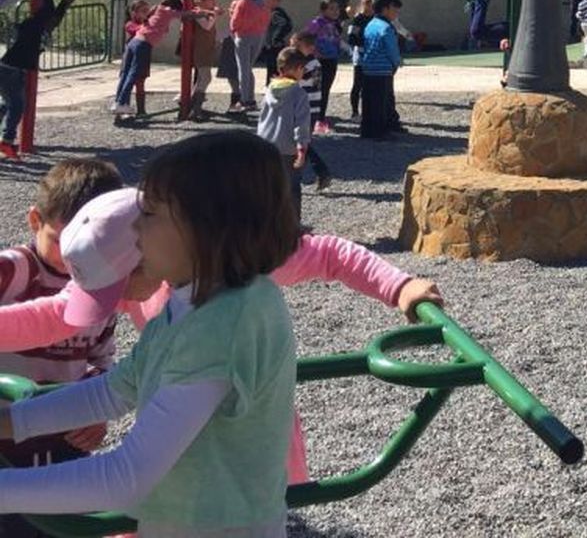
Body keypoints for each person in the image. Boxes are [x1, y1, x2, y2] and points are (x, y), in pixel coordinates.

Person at [0, 183, 442, 496]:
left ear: (145, 255)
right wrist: (18, 422)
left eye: (111, 291)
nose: (107, 302)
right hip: (178, 440)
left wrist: (397, 286)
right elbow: (67, 326)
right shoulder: (152, 292)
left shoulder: (231, 290)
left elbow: (329, 254)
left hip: (239, 458)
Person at [0, 131, 301, 531]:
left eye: (151, 213)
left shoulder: (226, 321)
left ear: (206, 227)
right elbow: (114, 389)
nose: (136, 229)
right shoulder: (191, 302)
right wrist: (13, 421)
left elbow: (127, 478)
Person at [0, 157, 124, 522]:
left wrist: (97, 413)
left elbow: (102, 360)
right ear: (35, 220)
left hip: (61, 434)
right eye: (63, 240)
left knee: (64, 524)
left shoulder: (104, 286)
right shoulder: (15, 271)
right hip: (5, 432)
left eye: (92, 245)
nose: (75, 257)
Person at [0, 0, 76, 155]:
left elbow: (61, 8)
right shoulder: (34, 22)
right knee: (17, 105)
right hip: (11, 67)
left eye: (35, 2)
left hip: (14, 67)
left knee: (8, 104)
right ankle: (7, 141)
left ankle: (6, 141)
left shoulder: (43, 21)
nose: (31, 5)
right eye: (31, 1)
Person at [259, 48, 311, 220]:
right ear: (296, 69)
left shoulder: (269, 90)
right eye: (302, 68)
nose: (303, 72)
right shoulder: (299, 94)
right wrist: (302, 148)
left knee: (270, 188)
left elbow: (262, 118)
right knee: (292, 189)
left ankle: (269, 224)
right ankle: (292, 227)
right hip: (288, 148)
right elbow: (301, 124)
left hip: (266, 145)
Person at [113, 0, 182, 119]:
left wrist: (151, 17)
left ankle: (131, 108)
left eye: (147, 9)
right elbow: (140, 29)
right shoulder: (132, 23)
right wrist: (152, 17)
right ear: (133, 13)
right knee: (130, 76)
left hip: (137, 48)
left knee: (137, 80)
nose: (146, 12)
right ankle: (122, 104)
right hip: (139, 48)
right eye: (143, 11)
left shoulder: (152, 18)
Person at [290, 33, 334, 192]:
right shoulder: (308, 62)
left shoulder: (309, 64)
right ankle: (318, 172)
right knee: (301, 140)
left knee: (301, 140)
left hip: (306, 106)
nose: (292, 48)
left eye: (295, 45)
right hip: (307, 106)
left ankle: (318, 172)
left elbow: (298, 80)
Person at [359, 0, 404, 142]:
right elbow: (391, 49)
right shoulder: (386, 28)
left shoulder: (370, 25)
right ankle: (380, 131)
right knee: (381, 102)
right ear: (385, 9)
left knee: (369, 101)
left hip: (368, 68)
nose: (395, 12)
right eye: (393, 9)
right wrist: (397, 62)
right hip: (382, 69)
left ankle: (367, 129)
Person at [227, 0, 271, 113]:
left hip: (243, 37)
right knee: (248, 68)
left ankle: (245, 100)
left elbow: (234, 21)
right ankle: (250, 99)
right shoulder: (263, 3)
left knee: (243, 69)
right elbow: (266, 20)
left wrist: (235, 31)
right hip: (258, 36)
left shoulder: (243, 2)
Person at [304, 0, 343, 136]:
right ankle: (315, 119)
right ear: (323, 10)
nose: (335, 11)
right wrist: (315, 53)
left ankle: (321, 118)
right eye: (331, 8)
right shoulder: (316, 23)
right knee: (317, 89)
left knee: (325, 89)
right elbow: (307, 38)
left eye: (337, 9)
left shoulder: (335, 24)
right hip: (319, 61)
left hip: (331, 60)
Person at [183, 0, 219, 119]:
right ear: (201, 1)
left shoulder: (206, 13)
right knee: (205, 77)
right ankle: (195, 109)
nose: (213, 2)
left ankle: (192, 106)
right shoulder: (198, 13)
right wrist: (214, 14)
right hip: (201, 49)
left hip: (207, 49)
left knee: (202, 79)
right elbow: (207, 26)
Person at [343, 0, 377, 121]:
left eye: (373, 3)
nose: (370, 6)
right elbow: (352, 38)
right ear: (364, 3)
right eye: (368, 3)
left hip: (373, 55)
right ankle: (354, 112)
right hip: (361, 55)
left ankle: (369, 111)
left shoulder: (376, 19)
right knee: (358, 84)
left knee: (370, 86)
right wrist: (365, 43)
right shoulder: (358, 19)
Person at [259, 0, 293, 82]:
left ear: (275, 0)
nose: (264, 2)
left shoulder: (276, 13)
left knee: (273, 72)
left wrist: (275, 39)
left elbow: (285, 24)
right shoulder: (276, 12)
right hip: (273, 47)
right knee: (273, 71)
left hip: (274, 48)